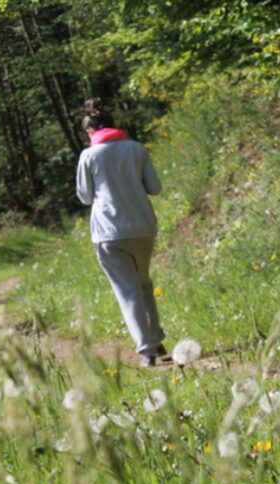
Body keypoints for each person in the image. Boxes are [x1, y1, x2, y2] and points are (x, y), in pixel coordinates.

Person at [76, 98, 168, 367]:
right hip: (142, 227)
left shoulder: (89, 156)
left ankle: (147, 351)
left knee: (128, 291)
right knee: (143, 284)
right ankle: (157, 339)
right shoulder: (136, 149)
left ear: (90, 131)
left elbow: (84, 196)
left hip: (109, 232)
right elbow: (154, 187)